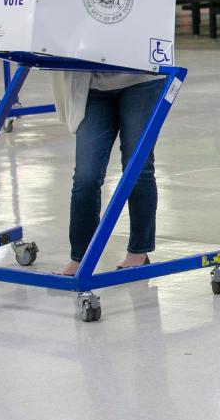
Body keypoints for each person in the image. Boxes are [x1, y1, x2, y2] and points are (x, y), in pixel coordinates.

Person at [52, 72, 166, 275]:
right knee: (85, 177)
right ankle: (81, 257)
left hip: (142, 81)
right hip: (93, 87)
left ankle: (138, 252)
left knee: (137, 170)